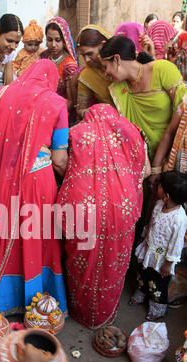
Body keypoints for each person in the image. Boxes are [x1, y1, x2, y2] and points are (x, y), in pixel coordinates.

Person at [0, 60, 69, 317]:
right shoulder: (56, 103)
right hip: (38, 178)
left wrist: (1, 148)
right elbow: (59, 160)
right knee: (39, 237)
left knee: (5, 232)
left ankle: (8, 300)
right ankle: (40, 304)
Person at [56, 104, 151, 330]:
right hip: (121, 209)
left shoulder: (75, 134)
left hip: (82, 206)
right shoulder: (132, 132)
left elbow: (59, 163)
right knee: (113, 260)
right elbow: (146, 171)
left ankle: (81, 311)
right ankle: (104, 313)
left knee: (80, 258)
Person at [99, 35, 187, 163]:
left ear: (117, 59)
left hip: (172, 155)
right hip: (140, 161)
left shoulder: (162, 69)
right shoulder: (118, 89)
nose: (105, 74)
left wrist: (158, 163)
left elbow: (182, 117)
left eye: (105, 67)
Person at [129, 171, 187, 321]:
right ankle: (141, 293)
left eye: (159, 186)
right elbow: (151, 224)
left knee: (157, 285)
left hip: (161, 261)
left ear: (167, 195)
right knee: (143, 275)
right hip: (148, 251)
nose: (156, 187)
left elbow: (176, 244)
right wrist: (142, 237)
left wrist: (168, 264)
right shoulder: (159, 204)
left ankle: (158, 309)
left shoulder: (179, 219)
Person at [148, 94, 187, 308]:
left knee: (180, 239)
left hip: (178, 188)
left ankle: (171, 294)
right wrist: (156, 169)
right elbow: (170, 133)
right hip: (175, 176)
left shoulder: (179, 217)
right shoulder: (185, 103)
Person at [41, 17, 78, 114]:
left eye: (57, 40)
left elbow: (71, 101)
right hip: (42, 109)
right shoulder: (44, 56)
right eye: (49, 40)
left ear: (64, 41)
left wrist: (53, 115)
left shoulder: (69, 66)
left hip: (61, 113)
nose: (53, 44)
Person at [75, 25, 113, 120]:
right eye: (83, 55)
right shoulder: (86, 76)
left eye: (90, 54)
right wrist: (95, 112)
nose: (87, 60)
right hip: (111, 123)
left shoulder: (122, 60)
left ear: (103, 45)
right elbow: (80, 110)